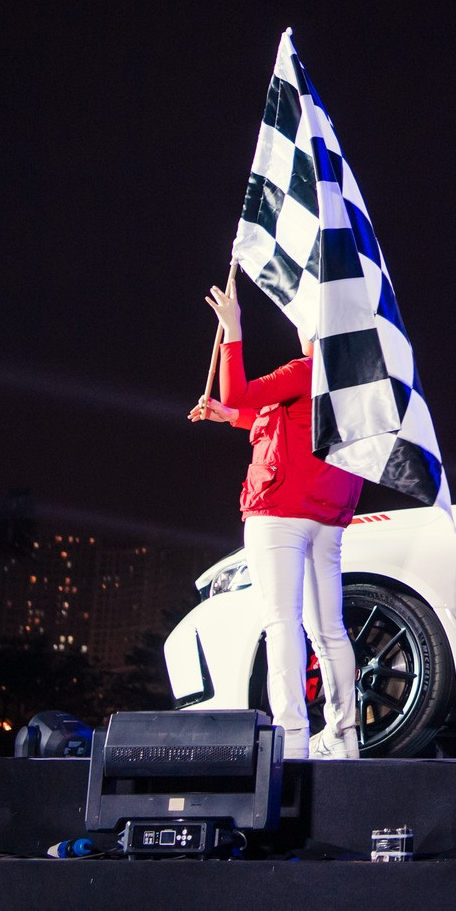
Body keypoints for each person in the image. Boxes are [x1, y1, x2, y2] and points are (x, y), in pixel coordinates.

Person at [189, 282, 364, 760]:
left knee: (282, 623)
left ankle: (292, 737)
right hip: (327, 516)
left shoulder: (304, 369)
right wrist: (232, 417)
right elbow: (287, 420)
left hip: (279, 512)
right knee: (329, 629)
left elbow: (239, 391)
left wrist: (232, 329)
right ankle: (344, 734)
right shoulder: (348, 383)